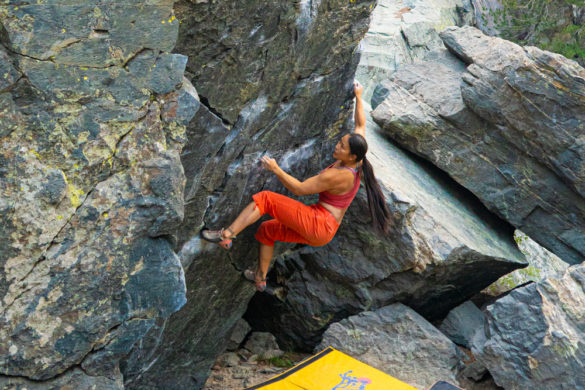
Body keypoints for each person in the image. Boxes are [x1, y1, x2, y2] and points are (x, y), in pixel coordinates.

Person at [201, 80, 391, 291]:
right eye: (339, 141)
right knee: (267, 230)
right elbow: (361, 125)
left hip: (319, 223)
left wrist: (276, 169)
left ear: (351, 155)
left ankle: (226, 235)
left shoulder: (340, 176)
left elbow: (299, 189)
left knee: (265, 199)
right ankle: (260, 278)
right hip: (324, 231)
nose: (337, 145)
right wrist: (358, 96)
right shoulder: (358, 159)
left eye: (341, 146)